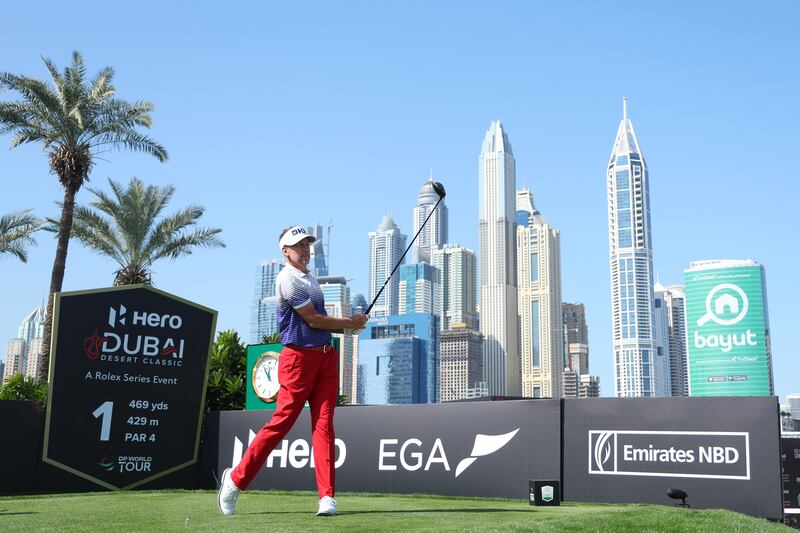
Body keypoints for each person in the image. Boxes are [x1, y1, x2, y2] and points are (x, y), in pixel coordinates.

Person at [218, 225, 368, 516]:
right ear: (285, 251)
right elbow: (312, 320)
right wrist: (350, 323)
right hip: (297, 360)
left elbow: (320, 321)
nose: (305, 249)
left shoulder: (310, 280)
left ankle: (327, 497)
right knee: (281, 423)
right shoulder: (287, 279)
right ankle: (235, 481)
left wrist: (347, 328)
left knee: (324, 426)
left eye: (307, 244)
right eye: (299, 245)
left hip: (325, 359)